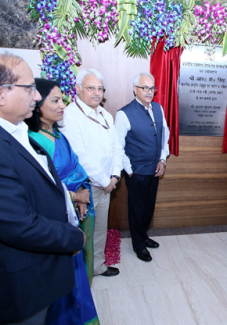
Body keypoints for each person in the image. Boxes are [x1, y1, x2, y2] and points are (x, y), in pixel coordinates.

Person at [0, 54, 85, 324]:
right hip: (17, 287)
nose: (37, 97)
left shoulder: (11, 128)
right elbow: (17, 224)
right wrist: (74, 238)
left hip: (37, 273)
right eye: (29, 89)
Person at [24, 78, 99, 324]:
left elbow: (75, 166)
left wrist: (81, 195)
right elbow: (39, 188)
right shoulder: (32, 139)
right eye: (54, 101)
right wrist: (75, 195)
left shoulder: (55, 132)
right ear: (36, 104)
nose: (61, 106)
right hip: (56, 217)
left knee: (78, 274)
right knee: (62, 282)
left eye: (61, 100)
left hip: (77, 209)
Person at [61, 69, 124, 277]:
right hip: (84, 187)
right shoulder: (70, 116)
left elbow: (116, 147)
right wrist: (106, 181)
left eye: (100, 88)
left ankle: (98, 266)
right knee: (83, 231)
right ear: (78, 89)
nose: (96, 93)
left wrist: (114, 176)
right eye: (90, 88)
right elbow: (81, 156)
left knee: (100, 230)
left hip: (106, 185)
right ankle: (82, 272)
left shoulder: (105, 115)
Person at [115, 73, 169, 262]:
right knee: (137, 209)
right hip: (136, 171)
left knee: (148, 207)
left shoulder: (158, 108)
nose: (149, 92)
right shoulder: (124, 114)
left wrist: (162, 159)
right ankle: (138, 244)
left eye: (152, 88)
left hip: (154, 170)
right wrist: (129, 170)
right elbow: (118, 146)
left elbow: (164, 135)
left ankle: (144, 236)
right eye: (144, 88)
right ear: (134, 89)